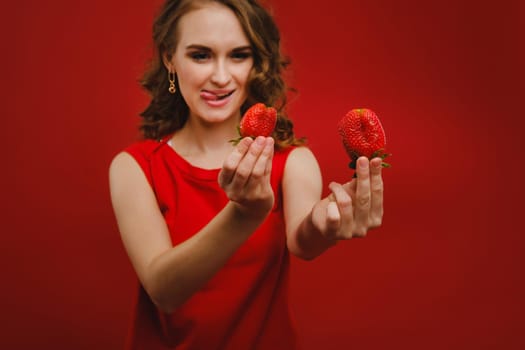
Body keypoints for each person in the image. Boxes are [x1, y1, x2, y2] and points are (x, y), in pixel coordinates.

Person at [109, 0, 385, 349]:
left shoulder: (292, 161)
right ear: (169, 59)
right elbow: (164, 290)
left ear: (256, 62)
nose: (221, 76)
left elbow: (303, 240)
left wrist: (331, 218)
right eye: (200, 55)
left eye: (239, 55)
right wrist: (244, 214)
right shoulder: (135, 166)